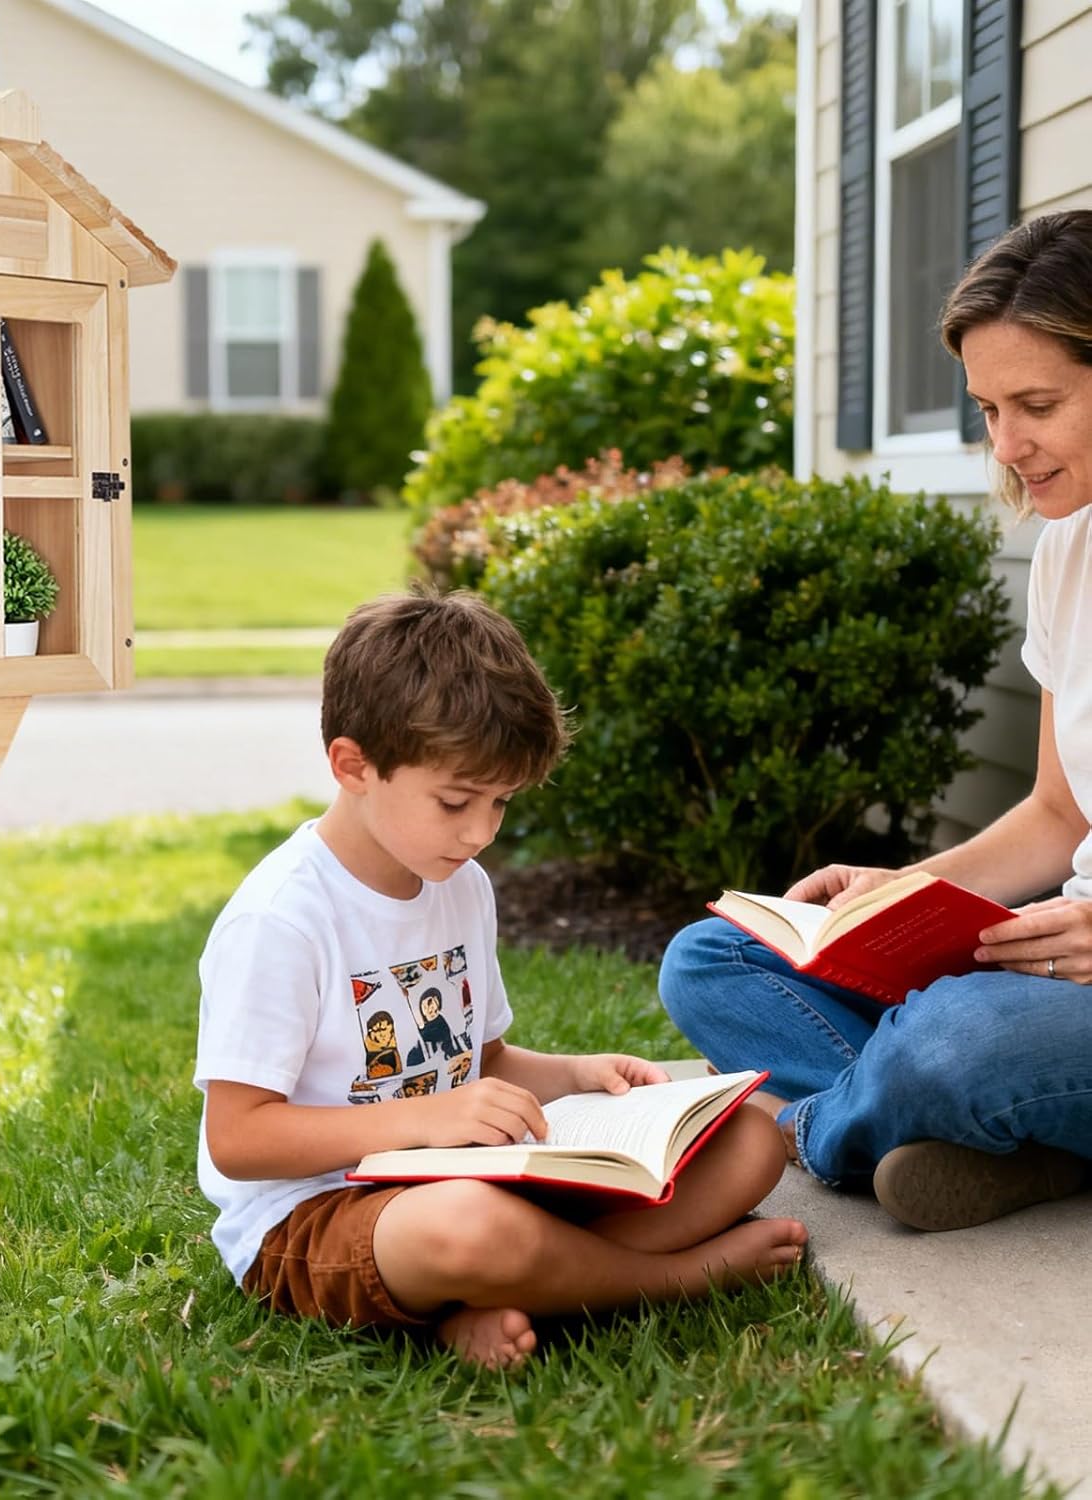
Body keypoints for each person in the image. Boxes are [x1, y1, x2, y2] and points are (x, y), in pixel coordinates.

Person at [194, 591, 806, 1369]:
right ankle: (671, 1280)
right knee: (469, 1229)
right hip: (319, 1214)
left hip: (463, 1178)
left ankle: (487, 1300)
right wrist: (426, 1121)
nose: (481, 832)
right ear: (354, 766)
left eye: (501, 803)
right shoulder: (282, 919)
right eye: (455, 801)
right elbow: (239, 1138)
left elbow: (480, 1063)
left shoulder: (459, 882)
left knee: (750, 1140)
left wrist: (579, 1075)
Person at [659, 209, 1092, 1234]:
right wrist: (894, 901)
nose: (1008, 445)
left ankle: (820, 1131)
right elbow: (1053, 818)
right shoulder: (1067, 554)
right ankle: (998, 1139)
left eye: (1037, 404)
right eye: (988, 409)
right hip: (1051, 969)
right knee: (711, 960)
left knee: (953, 1042)